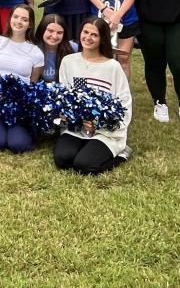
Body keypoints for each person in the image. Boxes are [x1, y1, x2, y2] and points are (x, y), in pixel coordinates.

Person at [55, 18, 133, 175]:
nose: (88, 37)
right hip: (77, 128)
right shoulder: (68, 61)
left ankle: (123, 154)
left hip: (105, 132)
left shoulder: (113, 67)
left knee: (84, 165)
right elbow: (64, 98)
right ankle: (85, 147)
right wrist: (77, 121)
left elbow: (124, 103)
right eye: (85, 32)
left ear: (102, 39)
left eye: (94, 35)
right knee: (62, 160)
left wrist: (98, 124)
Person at [0, 4, 44, 153]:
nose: (19, 21)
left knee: (18, 144)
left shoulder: (36, 53)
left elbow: (33, 82)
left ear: (30, 24)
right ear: (10, 19)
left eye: (24, 19)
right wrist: (0, 92)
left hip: (20, 102)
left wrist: (21, 99)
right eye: (16, 17)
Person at [35, 13, 76, 83]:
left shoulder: (73, 48)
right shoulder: (33, 50)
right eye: (50, 31)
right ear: (42, 30)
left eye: (59, 33)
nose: (54, 36)